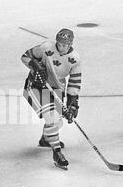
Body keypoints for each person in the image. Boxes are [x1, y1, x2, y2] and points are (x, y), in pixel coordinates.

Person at [21, 28, 82, 170]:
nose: (62, 47)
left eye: (65, 45)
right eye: (60, 44)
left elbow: (74, 81)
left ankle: (46, 139)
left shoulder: (76, 59)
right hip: (35, 86)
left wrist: (72, 103)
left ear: (71, 44)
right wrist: (35, 66)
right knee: (53, 119)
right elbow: (25, 56)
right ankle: (57, 153)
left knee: (58, 123)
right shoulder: (45, 48)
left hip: (57, 90)